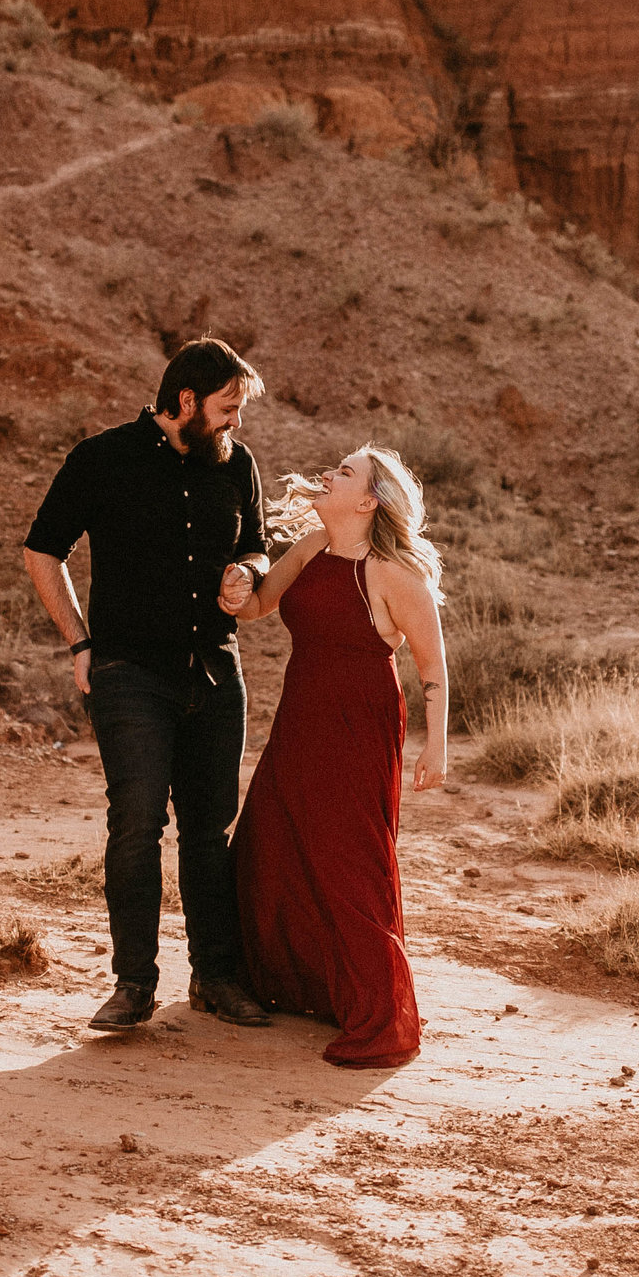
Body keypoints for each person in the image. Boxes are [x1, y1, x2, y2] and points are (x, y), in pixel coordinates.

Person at [22, 338, 277, 1032]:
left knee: (209, 830)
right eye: (227, 410)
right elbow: (43, 548)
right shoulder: (101, 458)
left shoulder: (239, 464)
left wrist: (249, 572)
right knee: (135, 823)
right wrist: (79, 638)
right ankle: (133, 983)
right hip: (129, 674)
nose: (235, 425)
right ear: (185, 401)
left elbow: (256, 543)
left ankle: (215, 977)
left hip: (217, 672)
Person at [226, 446, 447, 1068]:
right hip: (301, 715)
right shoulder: (312, 546)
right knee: (271, 838)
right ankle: (292, 985)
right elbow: (257, 607)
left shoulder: (393, 573)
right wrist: (236, 586)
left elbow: (432, 666)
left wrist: (437, 744)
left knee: (348, 856)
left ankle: (379, 1011)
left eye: (345, 472)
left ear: (369, 500)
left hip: (360, 723)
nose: (329, 474)